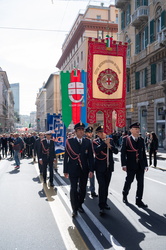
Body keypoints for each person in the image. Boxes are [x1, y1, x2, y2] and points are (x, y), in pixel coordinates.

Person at [63, 122, 94, 218]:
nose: (81, 132)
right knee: (73, 189)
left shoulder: (87, 142)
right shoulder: (70, 141)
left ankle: (80, 204)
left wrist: (91, 170)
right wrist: (65, 170)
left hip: (84, 169)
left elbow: (90, 157)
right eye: (79, 130)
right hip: (72, 169)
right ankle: (74, 209)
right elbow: (66, 157)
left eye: (82, 130)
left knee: (83, 189)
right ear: (75, 132)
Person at [121, 122, 148, 208]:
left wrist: (146, 165)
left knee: (140, 183)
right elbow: (123, 153)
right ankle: (125, 194)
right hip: (130, 165)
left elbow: (143, 153)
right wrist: (123, 164)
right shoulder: (126, 139)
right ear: (131, 130)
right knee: (129, 181)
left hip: (140, 165)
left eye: (138, 129)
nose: (137, 130)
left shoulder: (141, 140)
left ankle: (138, 200)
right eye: (136, 129)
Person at [93, 125, 118, 215]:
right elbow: (96, 151)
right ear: (98, 134)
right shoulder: (95, 141)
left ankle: (105, 202)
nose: (103, 133)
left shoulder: (110, 140)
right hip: (99, 168)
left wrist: (110, 146)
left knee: (106, 186)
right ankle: (101, 206)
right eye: (100, 132)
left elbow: (116, 151)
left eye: (104, 131)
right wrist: (104, 144)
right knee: (102, 186)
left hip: (108, 167)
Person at [85, 126, 98, 198]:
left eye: (91, 133)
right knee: (84, 177)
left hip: (91, 161)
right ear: (86, 133)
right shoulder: (85, 140)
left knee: (92, 177)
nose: (90, 134)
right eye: (89, 133)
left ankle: (92, 191)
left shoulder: (93, 140)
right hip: (85, 161)